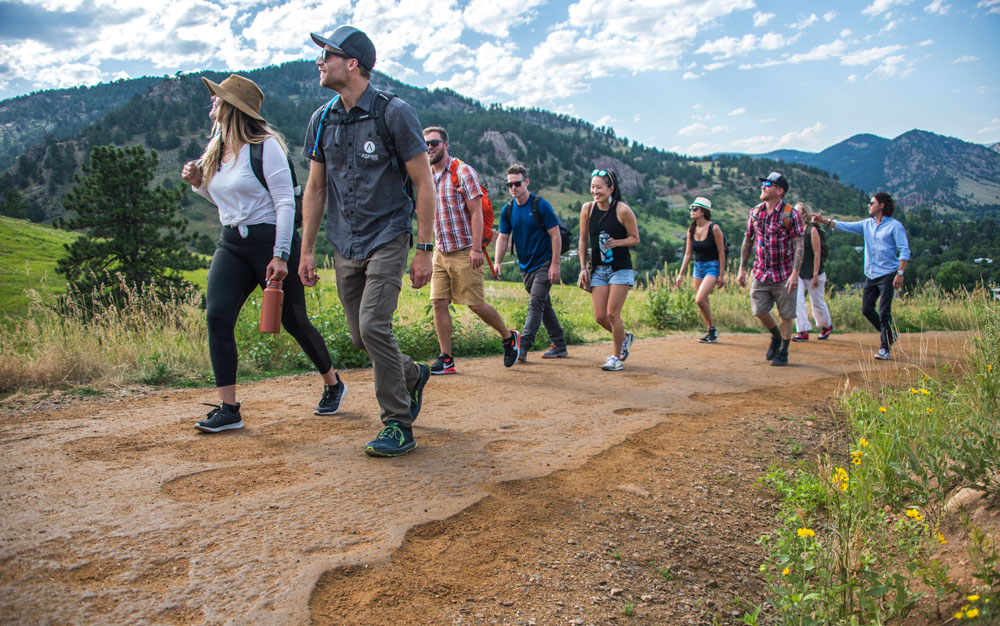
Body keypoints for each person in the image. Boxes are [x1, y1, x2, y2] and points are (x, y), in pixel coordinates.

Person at [180, 74, 346, 433]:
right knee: (218, 316)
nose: (212, 103)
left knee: (293, 322)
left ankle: (333, 383)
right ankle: (229, 409)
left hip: (270, 242)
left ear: (233, 107)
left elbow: (285, 203)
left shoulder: (265, 146)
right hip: (232, 244)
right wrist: (199, 186)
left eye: (218, 99)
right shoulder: (217, 150)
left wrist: (281, 254)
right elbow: (228, 203)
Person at [298, 26, 435, 457]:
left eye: (327, 55)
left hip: (388, 235)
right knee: (361, 337)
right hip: (345, 242)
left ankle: (398, 424)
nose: (320, 62)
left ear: (352, 63)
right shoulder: (321, 120)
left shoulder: (395, 114)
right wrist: (305, 248)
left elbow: (424, 182)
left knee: (375, 326)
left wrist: (425, 249)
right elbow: (316, 189)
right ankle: (412, 374)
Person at [423, 126, 520, 374]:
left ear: (446, 144)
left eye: (434, 143)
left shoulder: (462, 171)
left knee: (475, 305)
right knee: (438, 302)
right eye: (426, 144)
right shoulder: (426, 174)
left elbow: (477, 212)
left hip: (466, 250)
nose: (430, 148)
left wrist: (477, 249)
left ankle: (509, 337)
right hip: (440, 251)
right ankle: (446, 359)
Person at [813, 193, 910, 360]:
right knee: (866, 309)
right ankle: (889, 334)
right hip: (871, 275)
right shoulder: (867, 224)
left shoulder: (895, 226)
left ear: (882, 206)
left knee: (884, 311)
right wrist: (825, 221)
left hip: (888, 273)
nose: (868, 205)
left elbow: (904, 250)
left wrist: (900, 273)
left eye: (872, 203)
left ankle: (885, 348)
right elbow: (846, 226)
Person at [492, 164, 569, 361]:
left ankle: (522, 347)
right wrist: (497, 261)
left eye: (517, 183)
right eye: (509, 184)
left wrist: (555, 264)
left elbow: (555, 236)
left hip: (545, 262)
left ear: (526, 182)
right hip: (525, 266)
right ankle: (559, 345)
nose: (513, 188)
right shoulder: (508, 210)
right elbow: (502, 237)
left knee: (535, 303)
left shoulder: (540, 205)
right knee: (544, 305)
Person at [736, 171, 804, 367]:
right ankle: (775, 336)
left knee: (786, 314)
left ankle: (783, 351)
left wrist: (795, 274)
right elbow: (748, 240)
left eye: (768, 183)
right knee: (759, 310)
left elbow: (800, 244)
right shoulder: (755, 212)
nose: (763, 186)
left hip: (784, 274)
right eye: (763, 183)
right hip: (761, 272)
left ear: (780, 190)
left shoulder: (790, 214)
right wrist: (742, 268)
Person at [577, 169, 640, 371]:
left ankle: (616, 357)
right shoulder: (587, 209)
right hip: (598, 269)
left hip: (619, 269)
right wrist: (582, 268)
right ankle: (624, 338)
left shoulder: (622, 210)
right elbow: (583, 239)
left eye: (599, 187)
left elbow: (635, 238)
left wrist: (617, 243)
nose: (595, 191)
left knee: (613, 314)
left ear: (611, 188)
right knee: (600, 317)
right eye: (593, 187)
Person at [675, 196, 725, 343]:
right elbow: (688, 254)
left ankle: (712, 330)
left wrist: (721, 274)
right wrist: (681, 274)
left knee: (700, 299)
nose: (691, 211)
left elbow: (721, 251)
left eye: (694, 209)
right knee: (704, 302)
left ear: (703, 212)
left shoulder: (714, 228)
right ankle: (710, 331)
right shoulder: (691, 229)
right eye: (691, 208)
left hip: (712, 266)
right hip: (698, 267)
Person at [791, 202, 833, 342]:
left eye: (798, 211)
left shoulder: (811, 229)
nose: (795, 213)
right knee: (797, 300)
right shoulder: (794, 230)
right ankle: (803, 330)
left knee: (817, 302)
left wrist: (815, 275)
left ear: (804, 213)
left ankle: (826, 325)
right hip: (800, 272)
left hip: (814, 272)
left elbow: (817, 253)